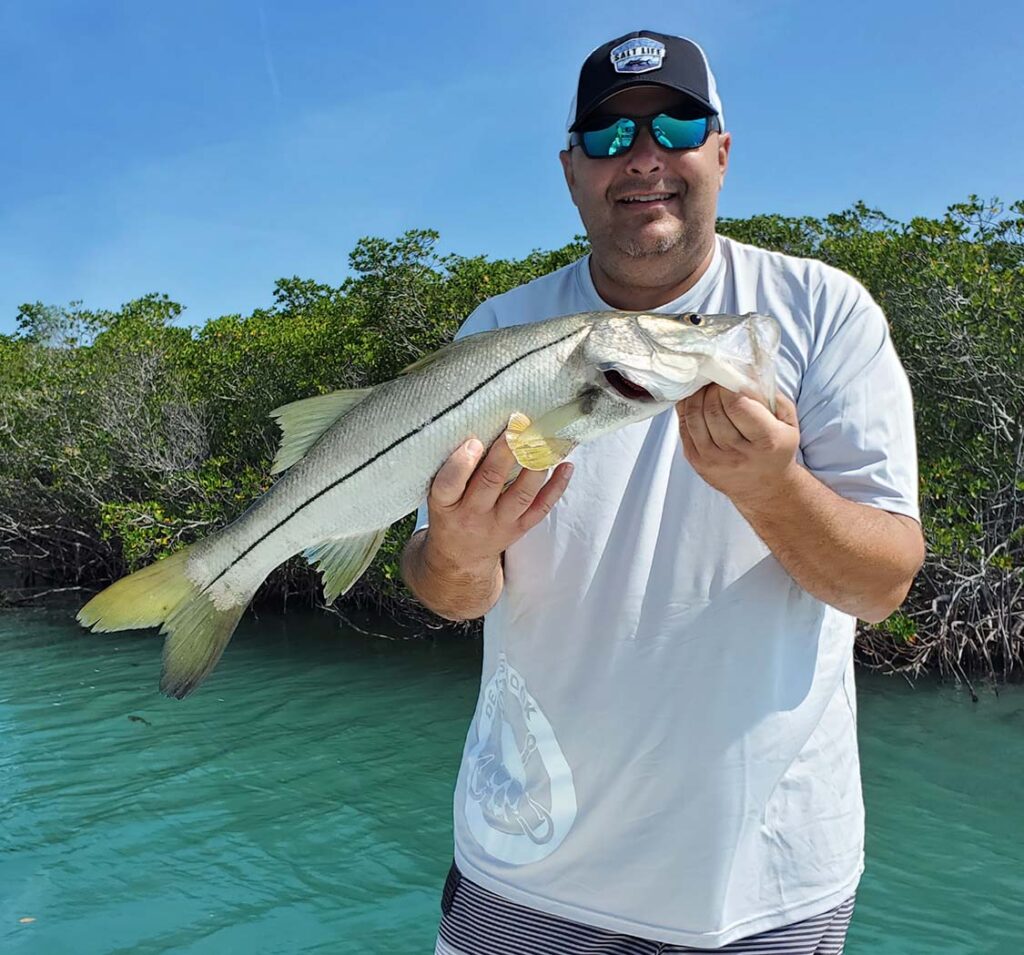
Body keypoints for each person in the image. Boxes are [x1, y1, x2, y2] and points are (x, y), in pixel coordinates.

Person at [401, 29, 924, 955]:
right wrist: (458, 548)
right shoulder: (497, 331)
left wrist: (773, 490)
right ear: (571, 172)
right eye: (607, 138)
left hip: (763, 888)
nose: (642, 157)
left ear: (720, 150)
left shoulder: (823, 312)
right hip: (525, 865)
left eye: (676, 124)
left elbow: (881, 586)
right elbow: (450, 594)